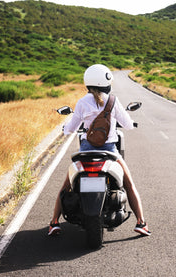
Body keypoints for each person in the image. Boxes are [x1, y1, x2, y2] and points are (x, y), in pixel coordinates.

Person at [48, 64, 151, 236]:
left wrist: (64, 129)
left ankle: (54, 223)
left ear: (88, 82)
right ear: (107, 81)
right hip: (110, 152)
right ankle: (141, 223)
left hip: (86, 152)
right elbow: (127, 124)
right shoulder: (113, 101)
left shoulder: (82, 102)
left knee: (65, 187)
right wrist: (131, 124)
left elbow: (71, 128)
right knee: (129, 184)